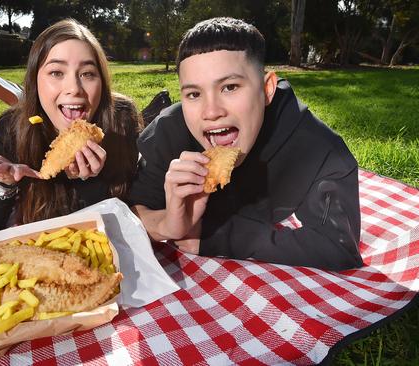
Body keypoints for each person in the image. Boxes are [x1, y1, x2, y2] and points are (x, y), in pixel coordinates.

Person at [128, 17, 363, 271]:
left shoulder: (318, 148)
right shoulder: (169, 133)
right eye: (194, 94)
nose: (211, 111)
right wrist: (168, 225)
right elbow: (131, 213)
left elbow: (339, 246)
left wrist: (217, 238)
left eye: (229, 87)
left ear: (267, 88)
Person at [0, 19, 143, 235]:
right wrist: (2, 182)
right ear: (35, 79)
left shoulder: (121, 119)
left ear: (102, 82)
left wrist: (91, 181)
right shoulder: (11, 127)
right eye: (56, 73)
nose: (74, 88)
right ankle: (18, 94)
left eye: (87, 74)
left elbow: (131, 216)